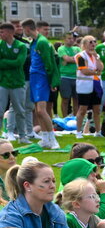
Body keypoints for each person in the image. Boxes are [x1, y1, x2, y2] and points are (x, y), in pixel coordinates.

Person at [22, 20, 59, 150]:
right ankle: (45, 139)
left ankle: (53, 139)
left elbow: (50, 63)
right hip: (34, 78)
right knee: (37, 112)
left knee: (41, 111)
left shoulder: (42, 42)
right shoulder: (34, 42)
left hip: (41, 78)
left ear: (27, 29)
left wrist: (52, 81)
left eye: (23, 30)